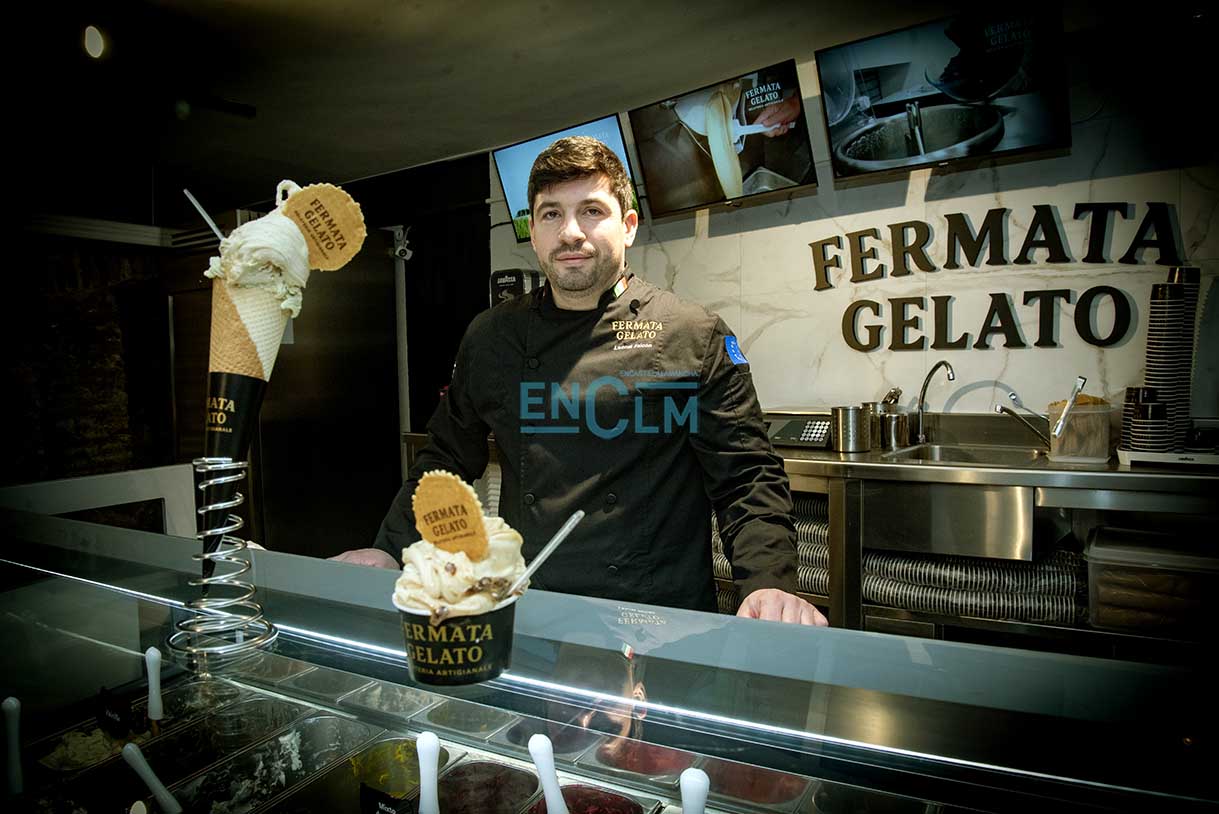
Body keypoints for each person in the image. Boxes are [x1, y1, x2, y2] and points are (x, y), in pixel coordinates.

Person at [333, 135, 825, 626]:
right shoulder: (492, 337)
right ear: (534, 230)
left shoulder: (691, 334)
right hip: (534, 610)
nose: (570, 232)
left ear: (628, 226)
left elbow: (746, 476)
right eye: (551, 214)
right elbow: (447, 458)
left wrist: (768, 584)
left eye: (591, 210)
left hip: (659, 620)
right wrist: (391, 548)